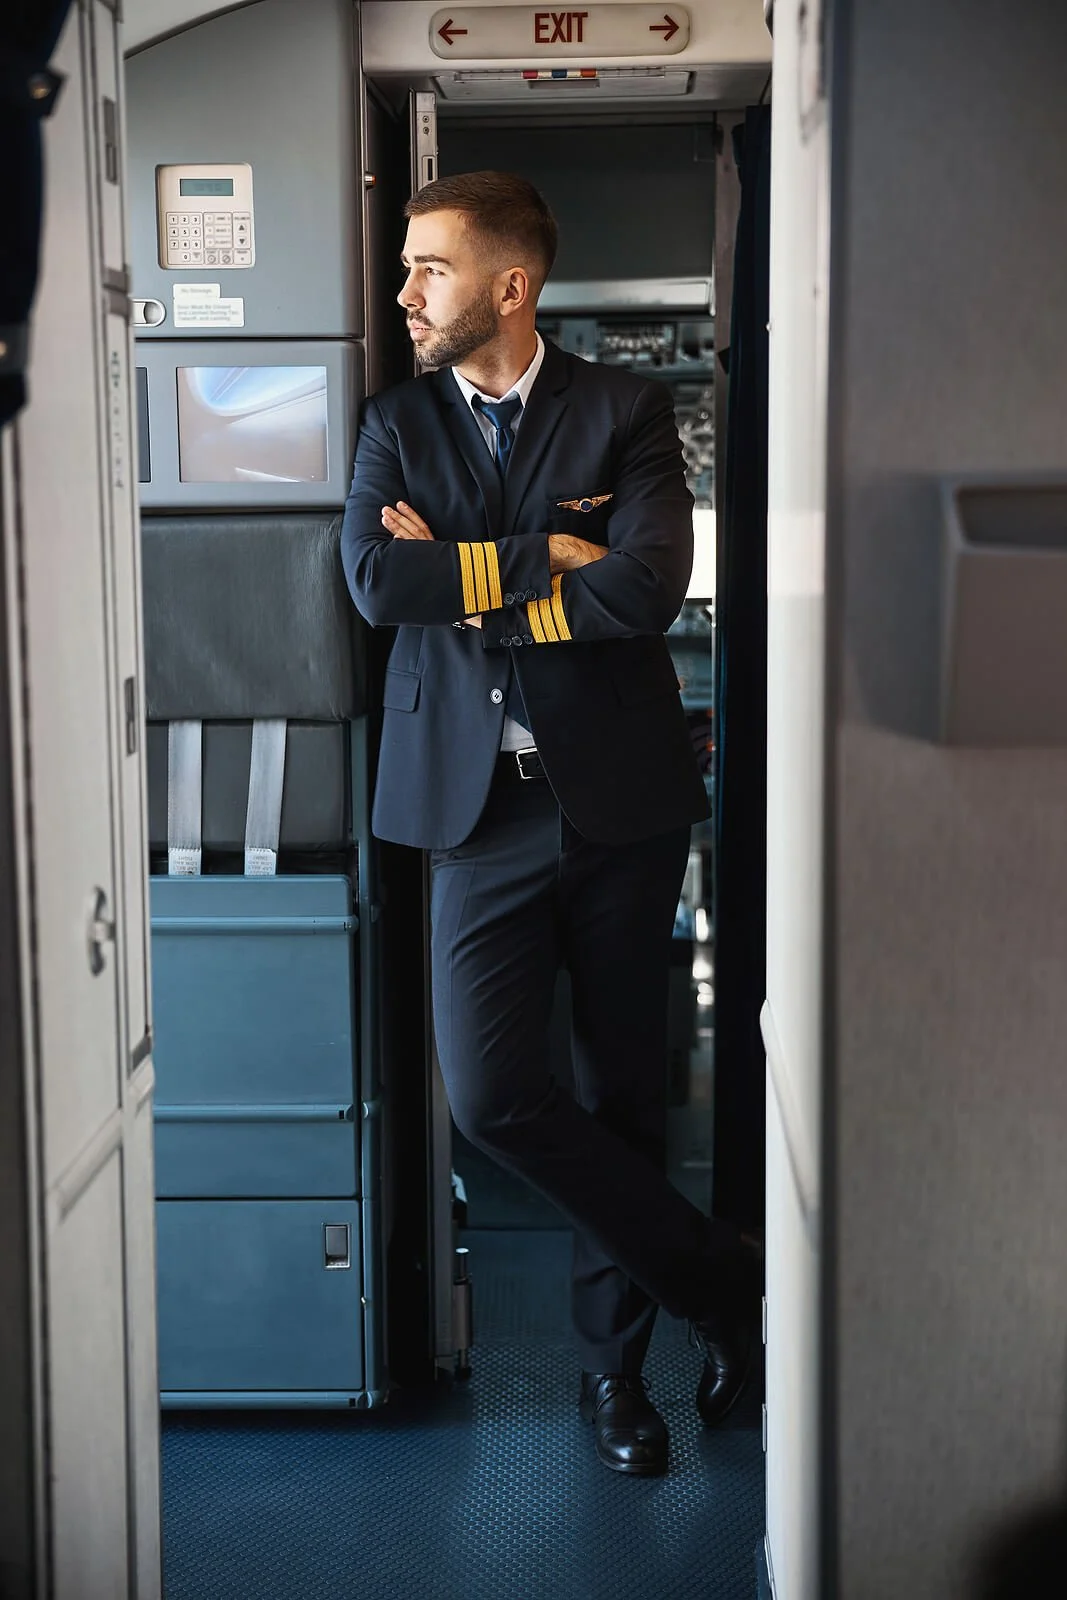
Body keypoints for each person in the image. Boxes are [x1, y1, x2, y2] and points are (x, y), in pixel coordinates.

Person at [341, 170, 759, 1477]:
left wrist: (465, 583)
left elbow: (644, 594)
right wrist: (537, 561)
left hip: (621, 813)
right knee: (494, 1097)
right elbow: (373, 581)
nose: (405, 294)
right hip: (478, 816)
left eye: (430, 269)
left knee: (626, 1095)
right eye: (408, 268)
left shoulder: (626, 411)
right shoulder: (395, 425)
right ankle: (719, 1286)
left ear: (509, 287)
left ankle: (614, 1382)